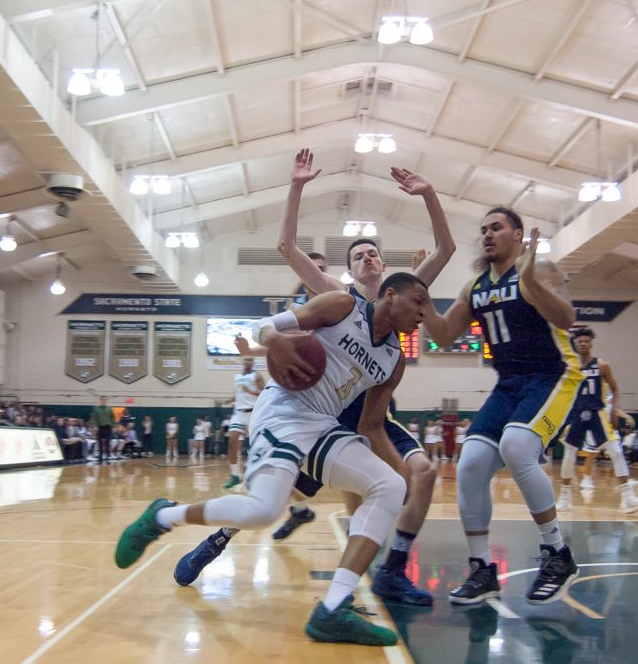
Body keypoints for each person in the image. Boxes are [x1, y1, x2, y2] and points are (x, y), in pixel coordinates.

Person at [174, 149, 454, 606]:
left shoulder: (406, 291)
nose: (367, 258)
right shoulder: (337, 297)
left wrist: (428, 195)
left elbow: (445, 249)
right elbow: (286, 248)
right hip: (322, 412)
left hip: (372, 412)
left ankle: (390, 569)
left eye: (373, 253)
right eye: (358, 254)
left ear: (386, 269)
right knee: (274, 496)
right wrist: (297, 185)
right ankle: (220, 537)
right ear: (350, 269)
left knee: (416, 474)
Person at [115, 273, 430, 646]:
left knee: (389, 485)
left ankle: (333, 609)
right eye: (419, 301)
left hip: (322, 424)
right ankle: (163, 516)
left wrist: (399, 468)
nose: (424, 313)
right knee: (264, 510)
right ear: (390, 294)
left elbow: (372, 426)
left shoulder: (394, 360)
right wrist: (276, 340)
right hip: (283, 409)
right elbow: (263, 325)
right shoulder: (343, 306)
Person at [421, 207, 583, 606]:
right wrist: (421, 299)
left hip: (554, 374)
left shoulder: (541, 269)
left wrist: (529, 282)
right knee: (470, 463)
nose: (488, 234)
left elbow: (567, 318)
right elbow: (442, 335)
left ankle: (557, 554)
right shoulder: (475, 285)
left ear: (517, 234)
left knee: (516, 447)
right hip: (509, 384)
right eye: (483, 230)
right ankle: (481, 569)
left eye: (496, 227)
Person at [555, 328, 638, 513]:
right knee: (569, 453)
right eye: (579, 341)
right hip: (576, 412)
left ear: (591, 343)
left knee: (615, 450)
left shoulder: (602, 365)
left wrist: (614, 409)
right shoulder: (569, 367)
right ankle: (564, 498)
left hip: (597, 411)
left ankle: (628, 497)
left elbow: (615, 390)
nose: (583, 344)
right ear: (575, 344)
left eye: (586, 341)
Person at [221, 358, 266, 488]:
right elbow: (237, 395)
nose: (247, 362)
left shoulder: (256, 376)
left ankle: (252, 472)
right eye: (245, 360)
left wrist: (250, 391)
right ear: (242, 362)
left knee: (254, 446)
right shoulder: (237, 377)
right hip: (238, 413)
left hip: (253, 413)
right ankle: (235, 475)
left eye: (250, 360)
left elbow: (265, 393)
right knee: (232, 439)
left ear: (253, 363)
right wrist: (228, 400)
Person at [90, 395, 115, 463]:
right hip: (100, 427)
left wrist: (112, 425)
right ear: (100, 400)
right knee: (100, 442)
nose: (104, 401)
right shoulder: (96, 409)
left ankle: (107, 456)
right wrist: (95, 426)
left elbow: (112, 417)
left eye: (105, 400)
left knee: (107, 442)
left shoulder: (109, 409)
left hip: (107, 427)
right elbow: (94, 418)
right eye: (102, 399)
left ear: (106, 400)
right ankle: (100, 457)